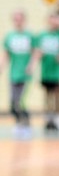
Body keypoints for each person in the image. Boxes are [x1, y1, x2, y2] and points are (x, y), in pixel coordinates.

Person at [1, 10, 39, 140]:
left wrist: (31, 65)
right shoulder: (10, 36)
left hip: (25, 74)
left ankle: (26, 124)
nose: (18, 22)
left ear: (24, 20)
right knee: (12, 102)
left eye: (20, 19)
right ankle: (18, 123)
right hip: (13, 73)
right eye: (16, 19)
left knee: (21, 101)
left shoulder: (29, 36)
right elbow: (6, 54)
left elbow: (35, 53)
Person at [36, 13, 59, 133]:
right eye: (51, 20)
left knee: (57, 96)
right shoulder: (42, 35)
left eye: (55, 21)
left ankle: (57, 119)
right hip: (46, 71)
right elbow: (37, 52)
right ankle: (48, 119)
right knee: (47, 97)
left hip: (57, 72)